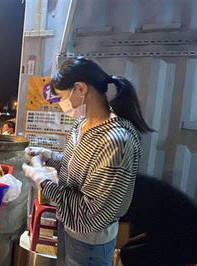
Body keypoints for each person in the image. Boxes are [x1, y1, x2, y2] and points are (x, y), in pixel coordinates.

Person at [23, 57, 153, 266]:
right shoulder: (82, 124)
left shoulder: (115, 141)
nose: (62, 106)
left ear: (80, 88)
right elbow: (74, 166)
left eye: (63, 98)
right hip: (69, 227)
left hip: (90, 241)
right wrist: (48, 156)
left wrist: (43, 182)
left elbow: (89, 212)